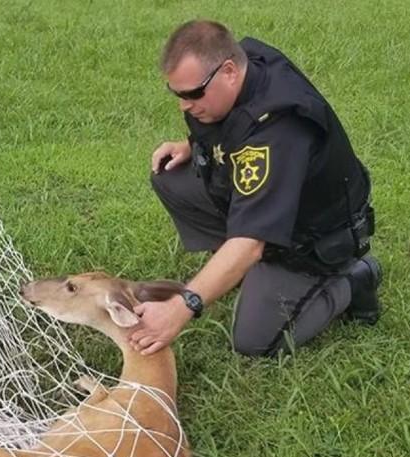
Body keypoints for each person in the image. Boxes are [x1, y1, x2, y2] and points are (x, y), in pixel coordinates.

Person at [129, 20, 381, 357]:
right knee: (169, 176)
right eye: (177, 94)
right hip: (276, 206)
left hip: (310, 239)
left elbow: (249, 244)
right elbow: (230, 129)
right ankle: (234, 269)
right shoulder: (243, 68)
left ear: (229, 71)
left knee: (255, 341)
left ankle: (352, 281)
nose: (184, 105)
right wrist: (190, 145)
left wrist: (181, 307)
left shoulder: (277, 129)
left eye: (192, 94)